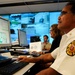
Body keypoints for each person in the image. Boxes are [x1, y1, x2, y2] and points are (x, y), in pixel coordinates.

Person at [18, 1, 75, 75]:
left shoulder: (73, 40)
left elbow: (51, 73)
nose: (59, 17)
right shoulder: (66, 38)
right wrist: (28, 59)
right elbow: (48, 56)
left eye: (63, 13)